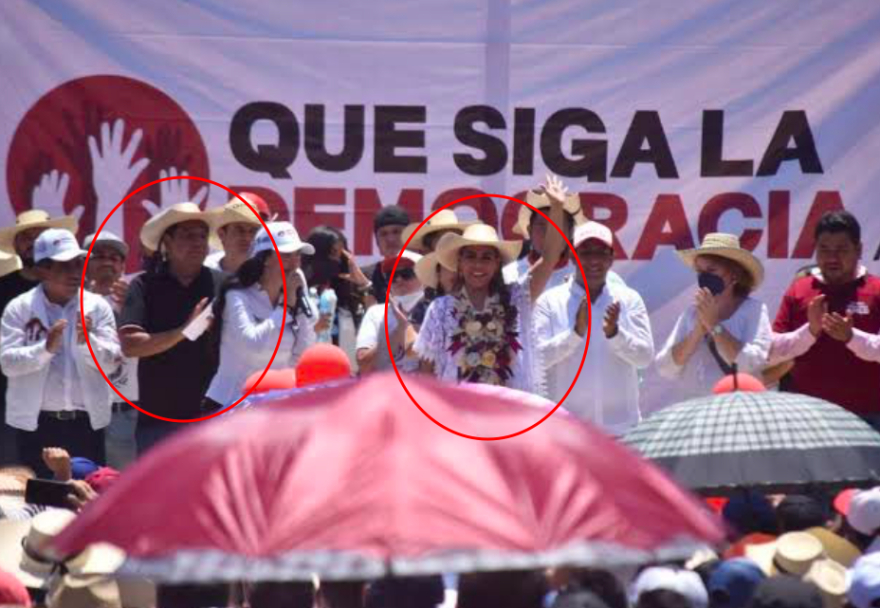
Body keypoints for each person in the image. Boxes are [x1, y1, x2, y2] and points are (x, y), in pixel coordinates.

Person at [415, 176, 568, 393]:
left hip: (508, 414)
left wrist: (557, 208)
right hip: (457, 415)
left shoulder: (516, 298)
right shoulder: (440, 309)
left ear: (497, 263)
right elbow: (426, 371)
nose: (478, 264)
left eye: (486, 257)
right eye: (471, 256)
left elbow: (551, 256)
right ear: (459, 262)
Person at [0, 229, 120, 477]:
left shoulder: (97, 306)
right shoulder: (19, 308)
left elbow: (112, 362)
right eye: (65, 266)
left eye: (78, 264)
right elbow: (8, 363)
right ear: (43, 269)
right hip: (36, 425)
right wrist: (45, 349)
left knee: (86, 499)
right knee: (38, 503)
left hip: (86, 425)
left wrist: (88, 343)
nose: (75, 273)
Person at [118, 203, 222, 453]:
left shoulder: (223, 284)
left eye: (201, 235)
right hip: (158, 421)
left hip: (214, 417)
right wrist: (183, 331)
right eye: (188, 235)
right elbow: (131, 345)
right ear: (167, 242)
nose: (198, 242)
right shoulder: (144, 285)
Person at [534, 221, 653, 435]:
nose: (593, 259)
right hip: (567, 432)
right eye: (585, 252)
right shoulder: (550, 302)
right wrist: (574, 334)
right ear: (572, 256)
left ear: (611, 257)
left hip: (621, 430)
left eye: (600, 252)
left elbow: (644, 357)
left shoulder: (629, 299)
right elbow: (537, 361)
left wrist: (616, 335)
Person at [768, 211, 880, 426]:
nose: (832, 258)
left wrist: (850, 336)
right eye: (824, 249)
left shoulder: (876, 291)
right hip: (805, 418)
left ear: (859, 250)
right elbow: (771, 352)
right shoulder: (798, 290)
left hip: (868, 418)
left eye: (841, 249)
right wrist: (810, 331)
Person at [203, 222, 316, 412]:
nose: (295, 263)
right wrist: (285, 307)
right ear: (265, 258)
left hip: (274, 407)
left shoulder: (293, 296)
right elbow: (252, 343)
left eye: (298, 255)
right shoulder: (237, 295)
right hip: (229, 406)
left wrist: (297, 305)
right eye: (286, 255)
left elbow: (302, 354)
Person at [0, 210, 78, 466]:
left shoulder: (76, 287)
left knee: (74, 477)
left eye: (39, 236)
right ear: (16, 246)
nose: (33, 243)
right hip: (13, 400)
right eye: (26, 238)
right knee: (18, 479)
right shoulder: (3, 289)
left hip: (69, 406)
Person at [655, 233, 772, 402]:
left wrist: (714, 325)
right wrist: (697, 332)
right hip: (696, 413)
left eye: (711, 270)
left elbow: (751, 364)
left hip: (736, 411)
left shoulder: (754, 310)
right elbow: (665, 368)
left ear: (735, 274)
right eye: (700, 271)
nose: (704, 277)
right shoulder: (691, 313)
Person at [82, 231, 138, 469]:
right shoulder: (69, 299)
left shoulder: (138, 297)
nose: (107, 262)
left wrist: (132, 303)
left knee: (121, 489)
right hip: (79, 415)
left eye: (114, 258)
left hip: (122, 412)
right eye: (98, 256)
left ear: (123, 266)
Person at [303, 225, 367, 364]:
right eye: (333, 253)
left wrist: (363, 284)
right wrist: (313, 328)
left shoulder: (353, 294)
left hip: (347, 374)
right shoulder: (297, 291)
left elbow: (378, 325)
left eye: (342, 254)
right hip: (307, 371)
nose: (339, 260)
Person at [356, 251, 424, 374]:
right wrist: (398, 330)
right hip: (386, 391)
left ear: (424, 276)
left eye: (406, 274)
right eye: (391, 276)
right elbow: (364, 365)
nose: (398, 279)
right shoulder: (376, 313)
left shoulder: (437, 310)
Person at [204, 193, 270, 275]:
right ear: (222, 234)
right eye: (239, 229)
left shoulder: (271, 275)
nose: (247, 237)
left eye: (254, 231)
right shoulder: (205, 270)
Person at [359, 205, 411, 305]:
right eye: (384, 234)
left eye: (396, 232)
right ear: (377, 241)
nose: (390, 239)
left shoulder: (426, 273)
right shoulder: (364, 277)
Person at [401, 208, 474, 253]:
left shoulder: (470, 271)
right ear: (429, 245)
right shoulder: (417, 274)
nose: (451, 243)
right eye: (445, 238)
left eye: (456, 237)